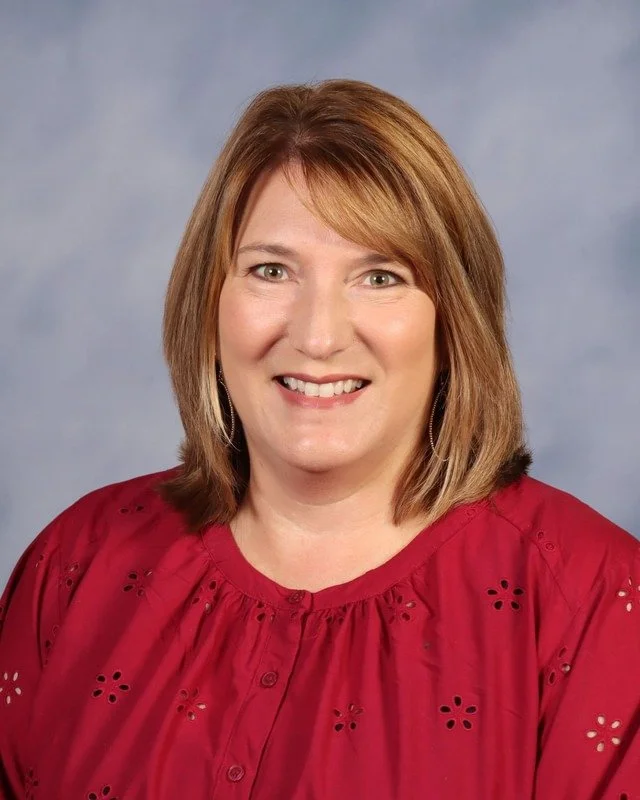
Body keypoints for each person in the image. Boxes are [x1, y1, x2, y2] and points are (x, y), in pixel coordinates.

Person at [0, 79, 638, 800]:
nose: (318, 335)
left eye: (379, 276)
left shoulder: (595, 602)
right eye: (270, 270)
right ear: (208, 301)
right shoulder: (77, 566)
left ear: (452, 319)